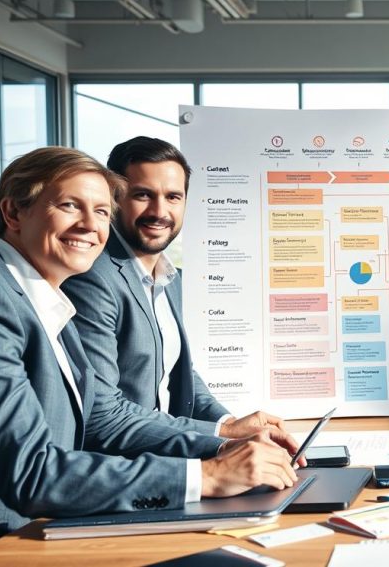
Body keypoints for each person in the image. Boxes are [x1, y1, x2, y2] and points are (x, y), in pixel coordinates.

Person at [0, 147, 300, 553]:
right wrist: (206, 477)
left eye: (103, 211)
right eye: (70, 206)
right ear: (13, 213)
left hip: (48, 526)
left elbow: (98, 422)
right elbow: (31, 471)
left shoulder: (46, 301)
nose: (91, 225)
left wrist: (227, 449)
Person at [63, 137, 283, 437]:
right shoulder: (93, 277)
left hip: (169, 450)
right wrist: (222, 437)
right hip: (129, 465)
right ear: (114, 199)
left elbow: (179, 374)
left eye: (173, 197)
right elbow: (102, 414)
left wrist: (229, 423)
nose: (159, 211)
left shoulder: (172, 278)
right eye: (143, 195)